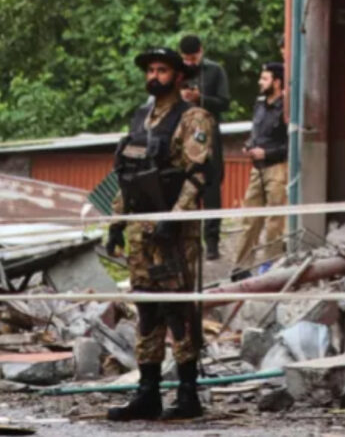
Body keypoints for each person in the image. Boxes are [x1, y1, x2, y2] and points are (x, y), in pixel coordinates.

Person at [105, 46, 214, 422]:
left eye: (162, 70)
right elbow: (128, 176)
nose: (154, 76)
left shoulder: (193, 117)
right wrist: (116, 224)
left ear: (178, 76)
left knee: (178, 308)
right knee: (147, 310)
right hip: (141, 230)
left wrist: (174, 217)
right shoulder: (141, 118)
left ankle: (187, 393)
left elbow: (197, 175)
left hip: (174, 233)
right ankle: (147, 392)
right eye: (150, 70)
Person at [178, 34, 231, 261]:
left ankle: (211, 242)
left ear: (201, 51)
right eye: (186, 59)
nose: (190, 63)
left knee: (211, 189)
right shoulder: (176, 72)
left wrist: (201, 98)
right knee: (184, 188)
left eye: (193, 58)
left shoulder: (215, 71)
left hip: (209, 136)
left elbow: (225, 103)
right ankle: (187, 242)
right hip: (182, 137)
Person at [233, 62, 289, 270]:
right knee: (250, 220)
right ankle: (241, 267)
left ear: (277, 82)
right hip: (257, 169)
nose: (260, 82)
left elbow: (291, 144)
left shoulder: (286, 108)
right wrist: (249, 145)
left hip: (277, 168)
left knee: (275, 222)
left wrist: (267, 153)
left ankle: (270, 267)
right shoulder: (259, 105)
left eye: (265, 78)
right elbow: (255, 133)